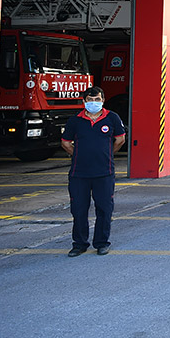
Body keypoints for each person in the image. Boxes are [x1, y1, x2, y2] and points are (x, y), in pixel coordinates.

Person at [61, 86, 126, 257]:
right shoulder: (75, 120)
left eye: (97, 100)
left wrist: (107, 155)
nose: (94, 103)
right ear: (84, 102)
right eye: (90, 100)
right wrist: (79, 155)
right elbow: (66, 143)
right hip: (79, 174)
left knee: (104, 209)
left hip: (104, 172)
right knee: (79, 209)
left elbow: (120, 139)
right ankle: (79, 244)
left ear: (103, 100)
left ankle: (102, 242)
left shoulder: (112, 118)